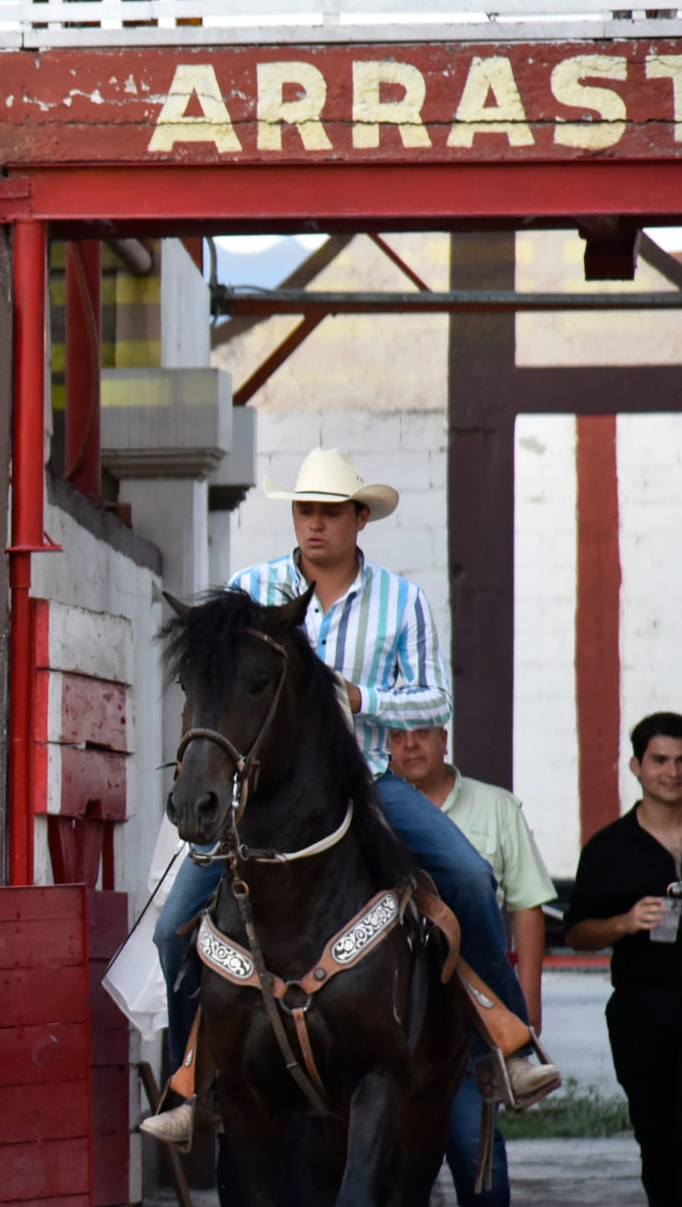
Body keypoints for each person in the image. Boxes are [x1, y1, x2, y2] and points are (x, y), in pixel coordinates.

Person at [142, 446, 560, 1152]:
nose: (315, 525)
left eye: (331, 513)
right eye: (305, 510)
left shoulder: (401, 601)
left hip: (365, 784)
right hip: (261, 806)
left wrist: (364, 697)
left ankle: (508, 1043)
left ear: (359, 518)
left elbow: (436, 696)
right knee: (168, 927)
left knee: (465, 875)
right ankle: (196, 1074)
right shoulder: (252, 588)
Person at [389, 722, 555, 1207]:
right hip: (386, 1014)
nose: (408, 746)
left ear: (444, 739)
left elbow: (528, 902)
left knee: (469, 1149)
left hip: (465, 1012)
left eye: (422, 734)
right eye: (394, 737)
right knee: (393, 1157)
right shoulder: (365, 808)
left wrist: (523, 1003)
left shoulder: (494, 807)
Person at [566, 711, 682, 1207]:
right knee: (660, 1141)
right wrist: (623, 923)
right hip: (644, 1011)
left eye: (681, 762)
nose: (671, 772)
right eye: (659, 760)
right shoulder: (610, 848)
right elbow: (577, 929)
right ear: (637, 767)